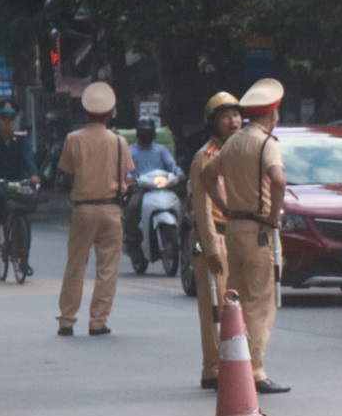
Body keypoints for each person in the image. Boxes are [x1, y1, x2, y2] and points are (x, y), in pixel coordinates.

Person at [202, 78, 289, 392]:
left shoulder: (234, 142)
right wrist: (273, 214)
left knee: (236, 300)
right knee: (259, 303)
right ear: (273, 113)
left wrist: (226, 205)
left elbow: (207, 175)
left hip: (234, 229)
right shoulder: (266, 143)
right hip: (258, 231)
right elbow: (278, 179)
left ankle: (232, 367)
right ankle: (254, 371)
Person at [56, 81, 131, 335]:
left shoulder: (73, 139)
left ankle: (67, 319)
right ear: (110, 113)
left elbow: (66, 171)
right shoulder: (119, 141)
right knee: (107, 268)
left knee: (75, 265)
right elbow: (127, 174)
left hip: (83, 210)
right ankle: (98, 321)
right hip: (111, 210)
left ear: (86, 111)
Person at [189, 92, 240, 388]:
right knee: (214, 308)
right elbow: (203, 208)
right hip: (214, 238)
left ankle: (235, 366)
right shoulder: (204, 158)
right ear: (213, 123)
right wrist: (210, 249)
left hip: (235, 236)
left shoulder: (237, 153)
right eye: (225, 117)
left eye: (235, 115)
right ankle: (213, 369)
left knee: (235, 307)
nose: (233, 122)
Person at [0, 101, 39, 250]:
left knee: (29, 195)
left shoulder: (22, 138)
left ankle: (22, 250)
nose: (7, 122)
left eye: (11, 119)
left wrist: (34, 174)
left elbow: (28, 158)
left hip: (17, 179)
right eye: (4, 119)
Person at [123, 115, 180, 261]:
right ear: (138, 134)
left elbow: (172, 166)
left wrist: (179, 174)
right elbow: (128, 171)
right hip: (140, 188)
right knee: (133, 207)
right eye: (143, 132)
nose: (146, 135)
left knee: (181, 204)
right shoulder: (131, 151)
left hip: (161, 186)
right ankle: (131, 241)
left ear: (153, 134)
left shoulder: (161, 150)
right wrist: (129, 179)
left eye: (149, 132)